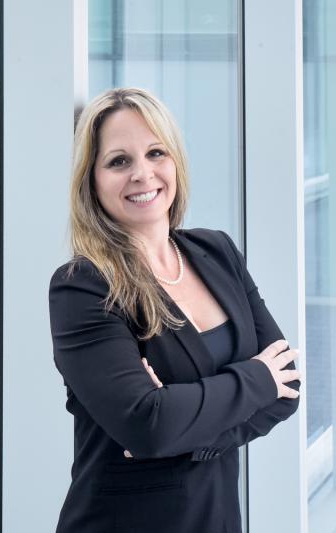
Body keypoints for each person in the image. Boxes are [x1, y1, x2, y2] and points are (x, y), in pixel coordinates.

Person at [48, 87, 301, 533]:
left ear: (176, 162)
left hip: (218, 519)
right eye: (118, 161)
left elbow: (289, 387)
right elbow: (149, 424)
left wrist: (182, 430)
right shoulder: (83, 287)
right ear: (91, 180)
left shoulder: (217, 251)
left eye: (155, 152)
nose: (142, 174)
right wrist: (255, 379)